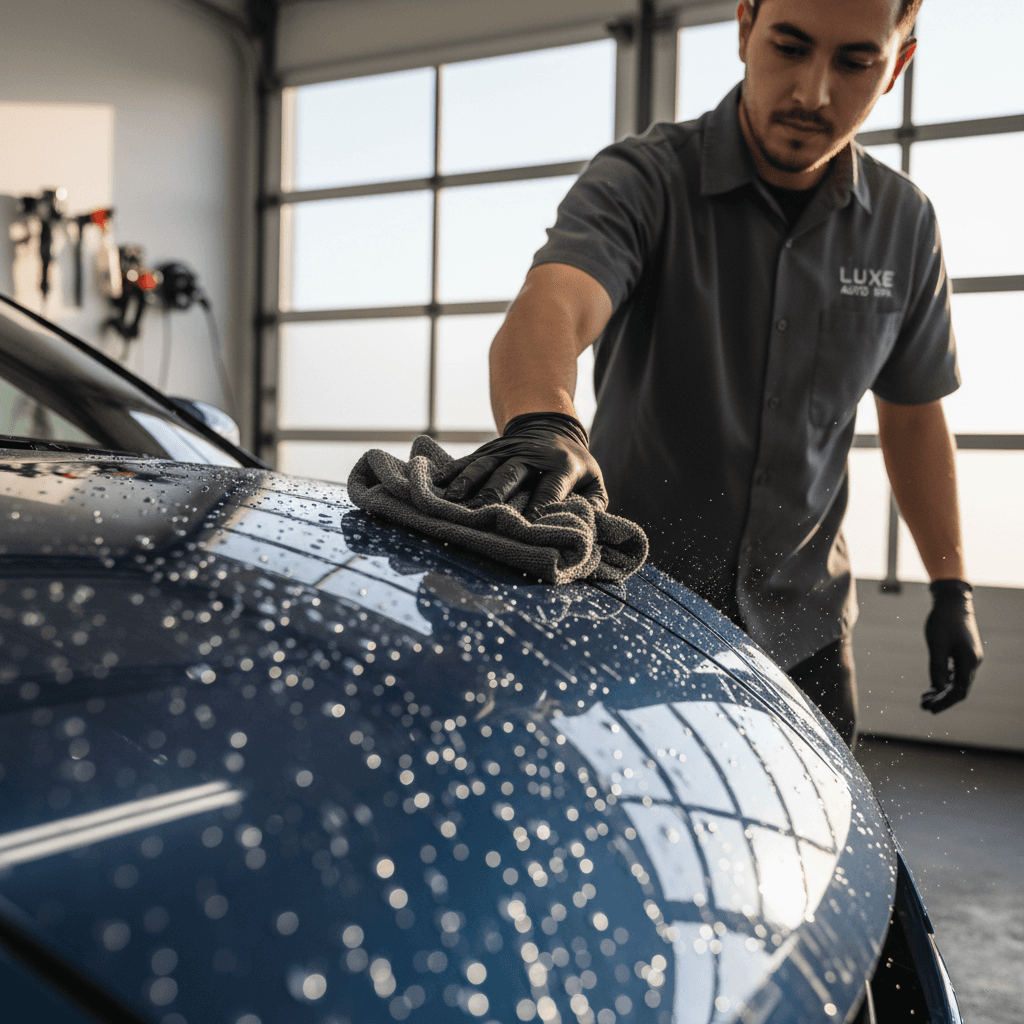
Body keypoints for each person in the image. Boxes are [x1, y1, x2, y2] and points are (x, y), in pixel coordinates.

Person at [444, 0, 984, 746]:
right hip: (632, 610)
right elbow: (556, 302)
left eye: (855, 62)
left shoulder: (905, 225)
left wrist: (952, 585)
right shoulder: (644, 178)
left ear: (897, 66)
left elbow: (915, 415)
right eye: (789, 47)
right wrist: (543, 422)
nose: (813, 93)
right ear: (743, 27)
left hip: (806, 632)